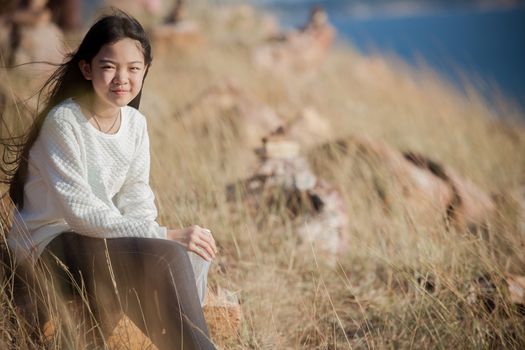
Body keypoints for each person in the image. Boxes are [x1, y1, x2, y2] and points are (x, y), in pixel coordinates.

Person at [5, 10, 218, 350]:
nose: (122, 78)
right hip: (48, 242)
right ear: (87, 68)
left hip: (95, 240)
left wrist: (153, 239)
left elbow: (136, 196)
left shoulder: (135, 125)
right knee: (170, 253)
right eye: (109, 66)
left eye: (134, 68)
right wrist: (164, 235)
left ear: (145, 70)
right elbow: (80, 214)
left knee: (183, 252)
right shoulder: (65, 122)